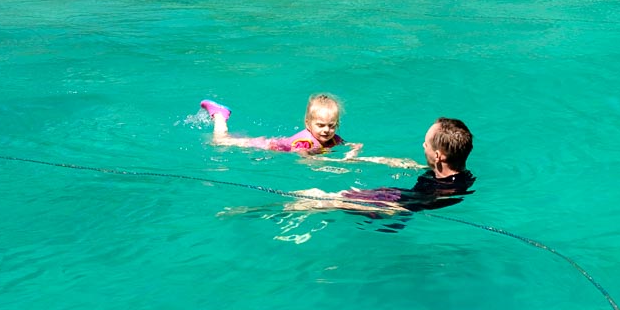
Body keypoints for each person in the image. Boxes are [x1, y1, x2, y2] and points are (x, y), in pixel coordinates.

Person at [287, 117, 475, 214]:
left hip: (395, 208)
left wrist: (333, 203)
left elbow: (396, 210)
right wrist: (369, 159)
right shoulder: (460, 175)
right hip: (399, 194)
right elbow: (419, 167)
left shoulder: (438, 193)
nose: (423, 146)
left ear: (438, 156)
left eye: (426, 144)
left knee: (314, 196)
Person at [200, 93, 363, 156]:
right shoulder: (305, 142)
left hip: (276, 142)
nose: (327, 130)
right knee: (220, 141)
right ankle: (219, 114)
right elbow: (304, 158)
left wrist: (353, 148)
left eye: (331, 125)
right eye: (320, 125)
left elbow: (344, 144)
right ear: (308, 124)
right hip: (268, 146)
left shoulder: (333, 137)